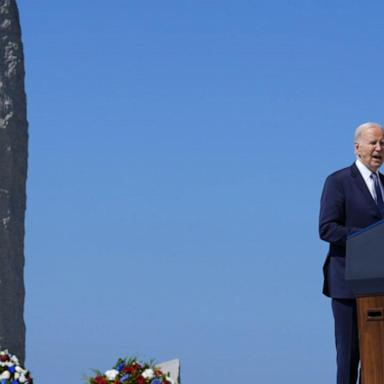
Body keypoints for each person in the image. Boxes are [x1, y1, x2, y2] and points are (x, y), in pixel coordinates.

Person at [319, 122, 384, 384]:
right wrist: (363, 239)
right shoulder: (338, 181)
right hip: (347, 285)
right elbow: (327, 228)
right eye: (373, 143)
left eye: (383, 143)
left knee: (377, 358)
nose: (379, 148)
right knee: (349, 358)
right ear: (357, 147)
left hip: (379, 287)